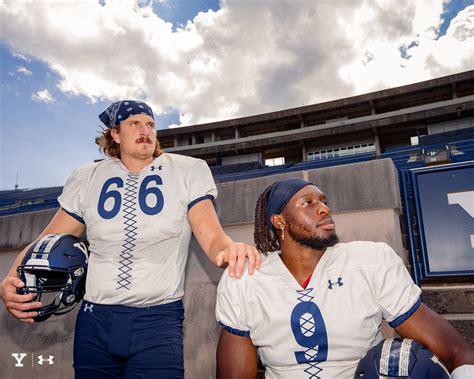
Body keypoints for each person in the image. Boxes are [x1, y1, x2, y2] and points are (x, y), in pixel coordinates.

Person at [0, 100, 260, 378]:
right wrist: (10, 277)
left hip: (158, 320)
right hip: (95, 320)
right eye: (134, 123)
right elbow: (47, 239)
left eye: (150, 124)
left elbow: (213, 239)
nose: (145, 129)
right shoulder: (88, 176)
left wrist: (232, 250)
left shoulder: (187, 170)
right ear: (115, 134)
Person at [215, 178, 474, 379]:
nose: (324, 209)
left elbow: (456, 352)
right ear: (279, 221)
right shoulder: (245, 278)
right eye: (308, 202)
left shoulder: (370, 260)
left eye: (324, 201)